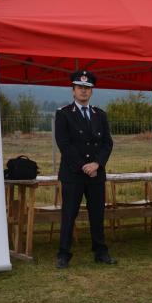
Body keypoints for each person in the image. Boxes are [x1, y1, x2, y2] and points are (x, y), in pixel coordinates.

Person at [55, 70, 116, 269]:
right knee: (69, 214)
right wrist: (84, 165)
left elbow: (107, 143)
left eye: (87, 88)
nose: (83, 91)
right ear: (73, 90)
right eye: (80, 87)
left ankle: (101, 252)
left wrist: (97, 164)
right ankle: (64, 254)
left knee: (97, 214)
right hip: (73, 174)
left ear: (92, 91)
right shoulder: (63, 114)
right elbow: (64, 144)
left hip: (96, 173)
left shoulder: (100, 114)